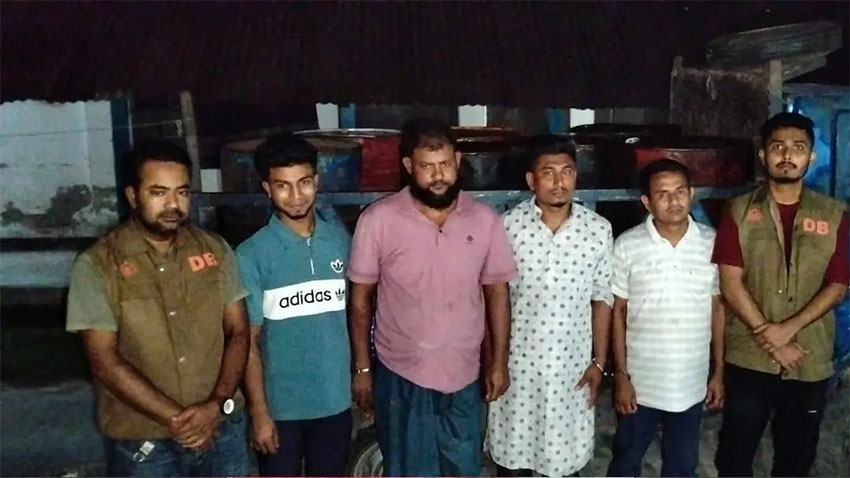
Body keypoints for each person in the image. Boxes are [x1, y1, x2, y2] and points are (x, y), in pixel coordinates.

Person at [65, 139, 250, 477]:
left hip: (222, 428)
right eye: (158, 192)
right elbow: (104, 361)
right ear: (133, 196)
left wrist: (215, 406)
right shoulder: (97, 265)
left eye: (182, 192)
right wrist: (179, 420)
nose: (173, 205)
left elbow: (238, 331)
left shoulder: (215, 251)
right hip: (143, 440)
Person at [347, 118, 517, 476]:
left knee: (463, 467)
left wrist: (499, 362)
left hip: (464, 372)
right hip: (402, 374)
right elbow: (360, 300)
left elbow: (497, 292)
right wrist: (362, 368)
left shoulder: (484, 219)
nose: (438, 176)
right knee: (409, 469)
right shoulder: (378, 220)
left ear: (458, 161)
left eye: (445, 165)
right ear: (409, 166)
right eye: (427, 167)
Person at [713, 112, 849, 477]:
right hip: (749, 359)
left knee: (796, 461)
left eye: (798, 148)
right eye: (777, 147)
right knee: (734, 458)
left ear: (811, 157)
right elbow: (730, 282)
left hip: (809, 357)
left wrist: (786, 331)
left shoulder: (835, 214)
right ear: (763, 155)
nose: (787, 156)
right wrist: (771, 340)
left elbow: (838, 286)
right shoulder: (739, 211)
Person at [487, 135, 613, 477]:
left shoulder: (598, 230)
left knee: (563, 464)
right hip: (518, 369)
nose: (559, 182)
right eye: (549, 173)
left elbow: (602, 298)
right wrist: (495, 363)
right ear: (532, 180)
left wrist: (599, 362)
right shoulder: (508, 227)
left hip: (571, 371)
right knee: (513, 462)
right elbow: (496, 297)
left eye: (567, 172)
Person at [235, 134, 352, 476]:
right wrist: (259, 412)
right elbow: (248, 341)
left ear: (317, 181)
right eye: (282, 186)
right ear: (267, 189)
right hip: (280, 409)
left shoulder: (341, 242)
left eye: (304, 183)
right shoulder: (251, 255)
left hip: (334, 402)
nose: (296, 196)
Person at [606, 159, 725, 477]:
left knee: (682, 465)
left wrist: (718, 373)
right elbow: (618, 312)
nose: (674, 201)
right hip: (640, 383)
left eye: (680, 192)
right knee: (625, 461)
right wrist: (621, 376)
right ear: (647, 202)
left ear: (692, 194)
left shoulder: (711, 242)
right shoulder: (627, 245)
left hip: (691, 383)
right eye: (663, 194)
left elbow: (718, 310)